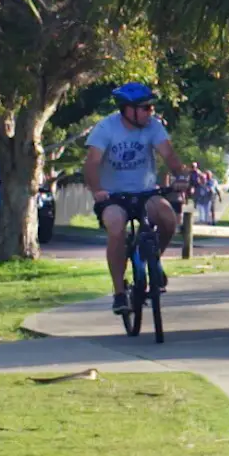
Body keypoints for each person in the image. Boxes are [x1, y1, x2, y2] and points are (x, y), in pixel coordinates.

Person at [83, 82, 189, 315]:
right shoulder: (106, 128)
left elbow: (168, 154)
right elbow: (91, 163)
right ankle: (120, 292)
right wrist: (98, 190)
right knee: (116, 227)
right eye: (144, 108)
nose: (150, 112)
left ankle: (154, 262)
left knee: (168, 218)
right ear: (127, 109)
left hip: (145, 192)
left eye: (151, 107)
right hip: (113, 196)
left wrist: (181, 175)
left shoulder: (153, 127)